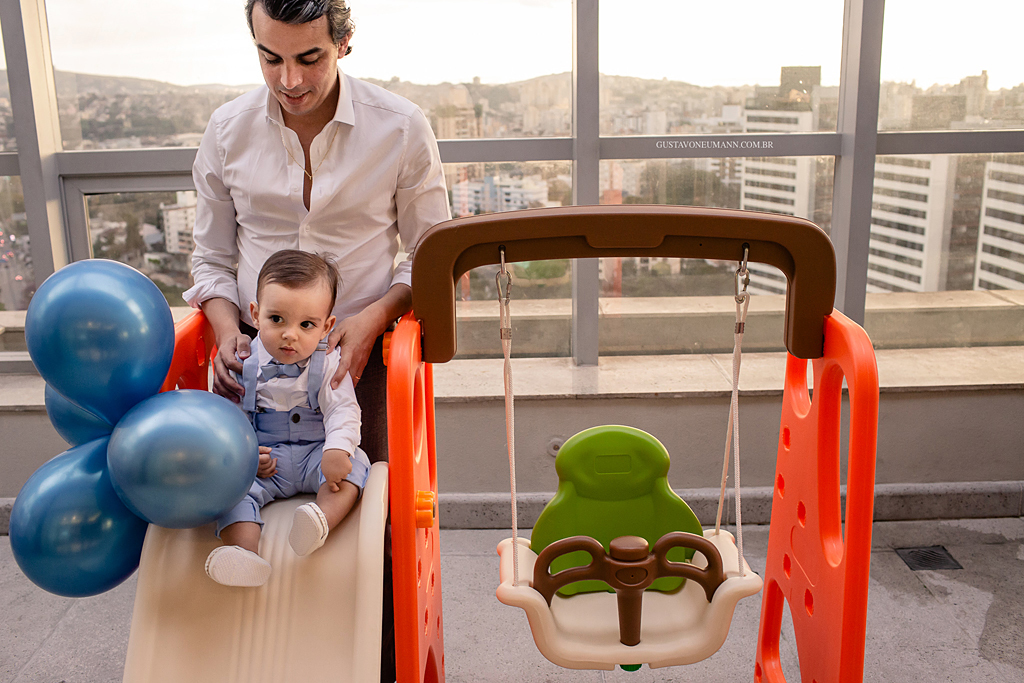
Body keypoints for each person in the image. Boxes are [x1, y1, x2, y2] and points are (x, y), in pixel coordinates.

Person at [205, 250, 372, 587]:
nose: (289, 334)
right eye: (277, 319)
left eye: (306, 324)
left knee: (355, 468)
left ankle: (318, 521)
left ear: (327, 326)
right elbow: (227, 423)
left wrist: (336, 450)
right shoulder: (241, 360)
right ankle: (244, 553)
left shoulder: (328, 363)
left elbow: (343, 409)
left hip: (316, 455)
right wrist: (248, 456)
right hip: (266, 461)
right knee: (230, 490)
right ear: (255, 314)